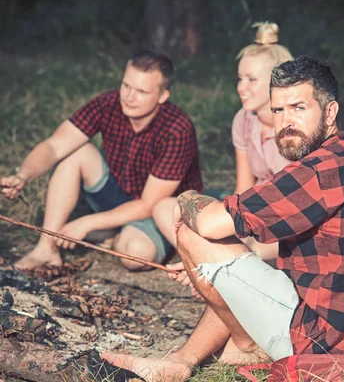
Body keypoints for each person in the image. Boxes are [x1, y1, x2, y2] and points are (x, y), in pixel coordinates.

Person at [101, 57, 344, 381]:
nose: (286, 122)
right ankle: (180, 361)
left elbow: (208, 224)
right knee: (235, 261)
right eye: (278, 110)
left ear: (330, 112)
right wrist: (219, 266)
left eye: (298, 108)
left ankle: (246, 345)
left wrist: (186, 199)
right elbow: (281, 249)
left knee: (196, 234)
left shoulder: (318, 171)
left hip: (320, 348)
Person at [0, 50, 203, 271]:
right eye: (126, 86)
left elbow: (149, 204)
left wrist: (87, 222)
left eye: (142, 91)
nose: (129, 96)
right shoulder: (108, 103)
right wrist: (23, 176)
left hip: (158, 210)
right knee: (76, 151)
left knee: (135, 253)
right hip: (118, 191)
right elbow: (54, 146)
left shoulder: (177, 129)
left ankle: (116, 236)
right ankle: (46, 247)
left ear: (162, 96)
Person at [152, 22, 291, 261]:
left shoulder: (294, 128)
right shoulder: (244, 120)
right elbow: (244, 188)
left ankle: (212, 266)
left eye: (251, 79)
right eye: (240, 78)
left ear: (277, 83)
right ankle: (206, 262)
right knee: (166, 207)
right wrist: (233, 225)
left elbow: (294, 206)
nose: (241, 88)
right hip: (254, 211)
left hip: (287, 225)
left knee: (249, 249)